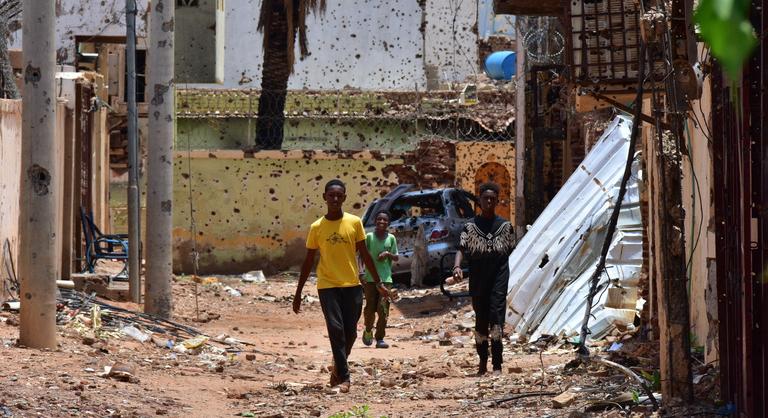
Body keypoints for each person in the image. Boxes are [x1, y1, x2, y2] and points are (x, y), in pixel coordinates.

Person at [293, 179, 389, 393]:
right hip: (327, 286)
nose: (335, 199)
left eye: (339, 195)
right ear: (324, 197)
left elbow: (364, 254)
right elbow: (309, 261)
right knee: (336, 330)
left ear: (344, 197)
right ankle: (345, 378)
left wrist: (379, 283)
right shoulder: (317, 227)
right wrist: (298, 292)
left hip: (353, 285)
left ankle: (338, 366)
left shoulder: (354, 223)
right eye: (331, 195)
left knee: (351, 334)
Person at [449, 182, 516, 376]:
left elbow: (510, 250)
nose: (488, 201)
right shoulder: (470, 226)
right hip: (478, 278)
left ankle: (497, 363)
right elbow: (461, 248)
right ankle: (482, 361)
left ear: (497, 201)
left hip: (499, 277)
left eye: (492, 199)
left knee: (496, 317)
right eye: (485, 198)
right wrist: (457, 266)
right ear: (479, 201)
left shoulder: (505, 227)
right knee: (481, 319)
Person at [361, 211, 399, 349]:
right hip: (370, 280)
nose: (382, 222)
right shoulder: (369, 237)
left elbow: (396, 257)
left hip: (386, 280)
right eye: (379, 219)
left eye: (384, 220)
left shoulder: (391, 238)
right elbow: (362, 255)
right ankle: (368, 329)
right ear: (375, 221)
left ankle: (380, 338)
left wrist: (388, 253)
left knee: (383, 309)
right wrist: (361, 273)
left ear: (388, 223)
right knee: (369, 309)